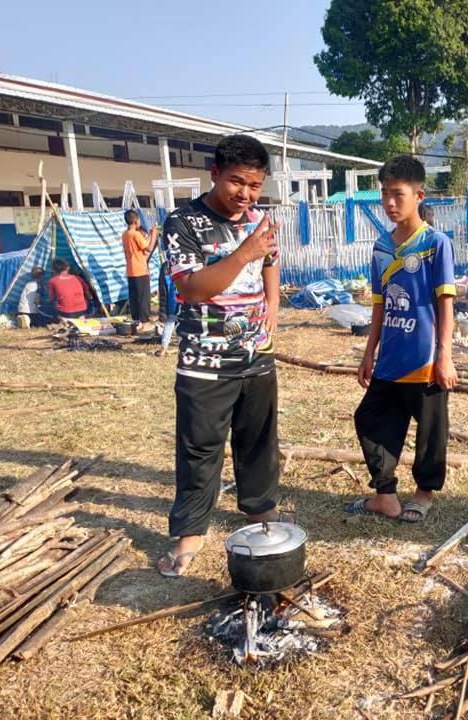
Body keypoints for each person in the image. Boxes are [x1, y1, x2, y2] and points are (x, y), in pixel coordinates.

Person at [157, 134, 283, 577]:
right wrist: (242, 251)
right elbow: (191, 288)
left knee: (259, 441)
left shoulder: (259, 219)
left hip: (255, 354)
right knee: (200, 447)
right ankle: (190, 531)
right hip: (205, 362)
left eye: (254, 185)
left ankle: (259, 511)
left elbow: (270, 262)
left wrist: (273, 307)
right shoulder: (183, 222)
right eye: (236, 182)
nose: (245, 195)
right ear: (214, 174)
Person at [349, 155, 457, 523]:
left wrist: (445, 355)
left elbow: (445, 303)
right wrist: (369, 353)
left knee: (430, 430)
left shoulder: (436, 244)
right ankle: (385, 495)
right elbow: (379, 305)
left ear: (419, 196)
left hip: (424, 358)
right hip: (390, 359)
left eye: (398, 195)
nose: (390, 204)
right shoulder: (381, 248)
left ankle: (424, 493)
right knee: (370, 418)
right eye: (384, 195)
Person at [122, 209, 158, 325]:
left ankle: (136, 319)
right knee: (144, 297)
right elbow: (149, 248)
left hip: (131, 270)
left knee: (135, 297)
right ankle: (145, 321)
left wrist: (150, 235)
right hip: (140, 270)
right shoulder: (135, 234)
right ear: (135, 221)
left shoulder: (125, 234)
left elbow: (143, 245)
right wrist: (154, 235)